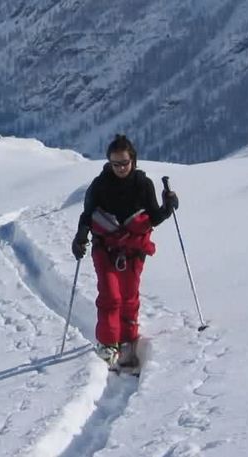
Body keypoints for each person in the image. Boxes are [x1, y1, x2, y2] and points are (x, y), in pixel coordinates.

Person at [71, 134, 178, 370]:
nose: (120, 168)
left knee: (129, 295)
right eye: (115, 163)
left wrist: (168, 207)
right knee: (111, 295)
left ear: (133, 161)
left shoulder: (143, 184)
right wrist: (80, 237)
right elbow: (87, 215)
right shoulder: (99, 185)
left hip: (133, 249)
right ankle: (108, 344)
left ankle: (128, 338)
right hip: (105, 248)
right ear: (109, 162)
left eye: (124, 163)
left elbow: (153, 217)